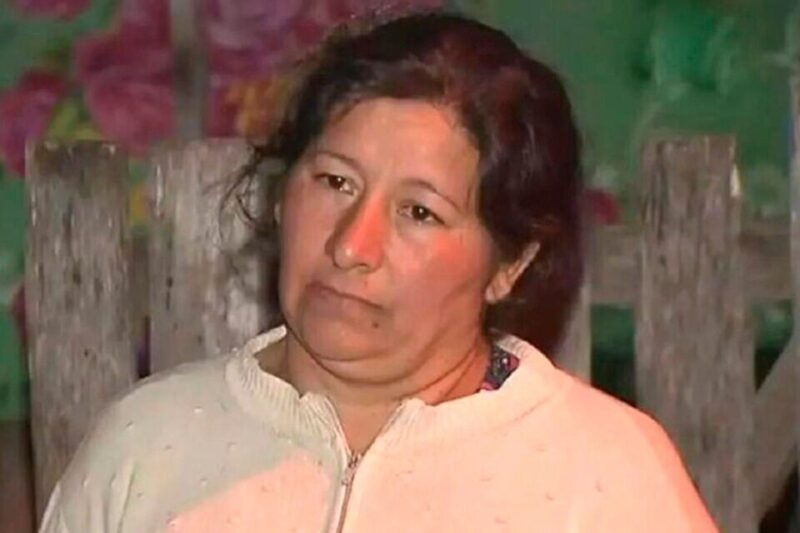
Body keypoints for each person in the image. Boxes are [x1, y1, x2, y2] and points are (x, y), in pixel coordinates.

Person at [40, 10, 717, 532]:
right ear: (281, 194)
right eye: (335, 181)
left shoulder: (606, 478)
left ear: (510, 265)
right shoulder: (145, 448)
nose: (352, 246)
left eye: (419, 212)